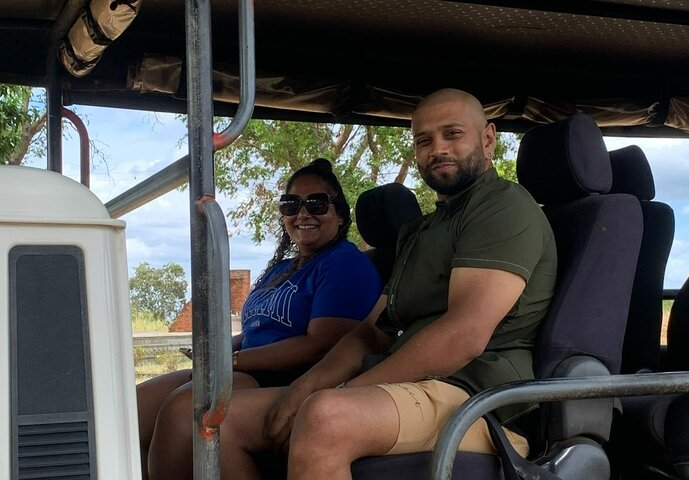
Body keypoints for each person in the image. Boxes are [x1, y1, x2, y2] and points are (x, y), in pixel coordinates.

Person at [149, 88, 557, 480]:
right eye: (424, 140)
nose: (438, 149)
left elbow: (464, 335)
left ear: (488, 139)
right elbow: (369, 333)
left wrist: (343, 391)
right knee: (214, 421)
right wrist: (303, 388)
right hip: (412, 386)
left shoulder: (503, 207)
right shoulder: (421, 231)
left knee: (325, 415)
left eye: (452, 134)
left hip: (477, 397)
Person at [138, 158, 382, 479]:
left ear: (339, 216)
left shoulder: (345, 265)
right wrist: (220, 353)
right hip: (246, 368)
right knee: (137, 407)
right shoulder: (283, 268)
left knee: (181, 410)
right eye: (291, 204)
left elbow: (320, 346)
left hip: (286, 378)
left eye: (317, 203)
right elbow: (256, 330)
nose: (303, 213)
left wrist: (233, 362)